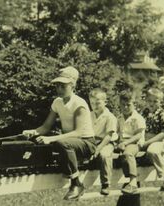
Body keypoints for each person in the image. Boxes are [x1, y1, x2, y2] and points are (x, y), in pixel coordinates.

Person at [22, 66, 96, 200]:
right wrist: (33, 132)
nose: (59, 89)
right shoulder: (57, 102)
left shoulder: (79, 103)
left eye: (63, 86)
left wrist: (51, 139)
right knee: (43, 142)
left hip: (86, 143)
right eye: (57, 86)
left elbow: (78, 133)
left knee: (60, 143)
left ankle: (76, 184)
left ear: (72, 85)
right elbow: (45, 127)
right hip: (69, 142)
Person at [89, 88, 118, 195]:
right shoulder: (89, 115)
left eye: (98, 103)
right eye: (92, 103)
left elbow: (108, 136)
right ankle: (76, 182)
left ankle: (106, 183)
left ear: (105, 102)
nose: (94, 106)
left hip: (107, 142)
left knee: (105, 155)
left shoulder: (110, 117)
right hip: (92, 141)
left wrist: (97, 149)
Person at [117, 91, 146, 195]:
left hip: (135, 143)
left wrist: (126, 143)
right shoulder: (119, 118)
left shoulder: (138, 118)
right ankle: (127, 180)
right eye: (123, 105)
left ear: (134, 104)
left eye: (128, 105)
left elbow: (138, 135)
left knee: (128, 153)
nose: (125, 107)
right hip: (123, 143)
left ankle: (133, 182)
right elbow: (118, 133)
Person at [140, 88, 164, 190]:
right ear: (145, 100)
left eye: (155, 101)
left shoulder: (162, 114)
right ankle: (133, 180)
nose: (151, 103)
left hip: (159, 141)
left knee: (153, 150)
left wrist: (147, 142)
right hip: (145, 140)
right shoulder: (144, 113)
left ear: (160, 102)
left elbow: (163, 133)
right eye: (149, 100)